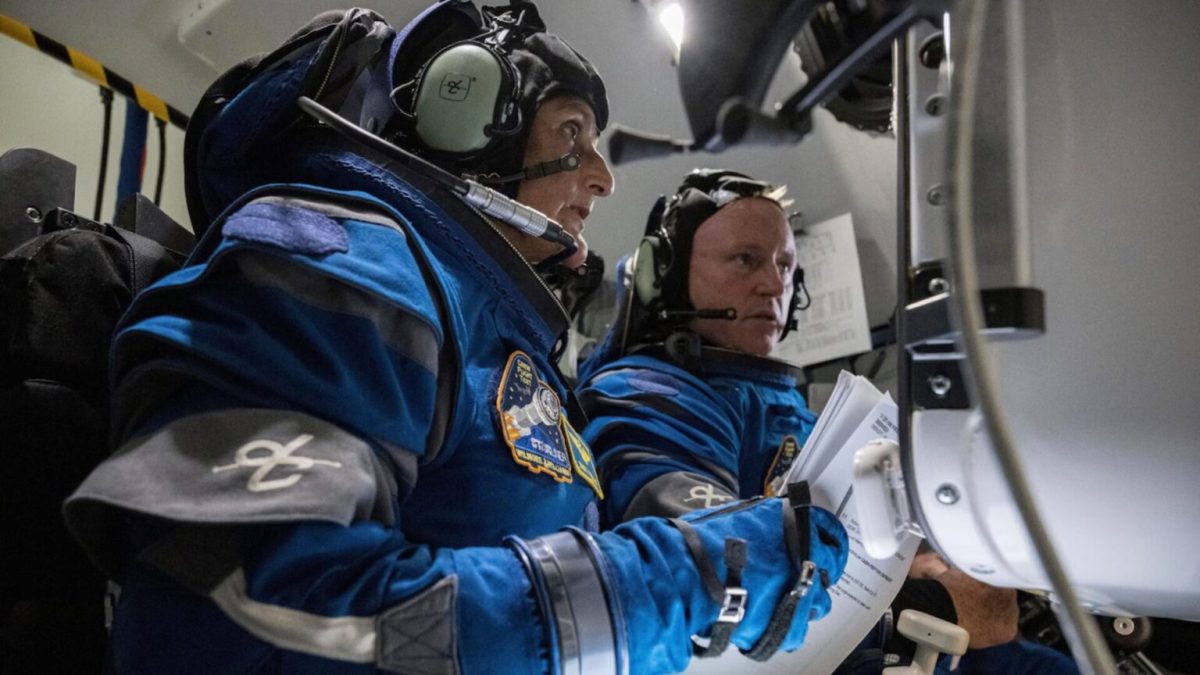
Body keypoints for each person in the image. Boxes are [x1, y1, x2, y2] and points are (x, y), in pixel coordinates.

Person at [63, 4, 848, 674]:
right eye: (574, 128)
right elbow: (252, 612)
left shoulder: (491, 329)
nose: (605, 177)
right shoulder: (342, 257)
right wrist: (683, 579)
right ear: (465, 114)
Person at [577, 168, 1072, 671]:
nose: (774, 284)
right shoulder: (645, 393)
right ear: (662, 275)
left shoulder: (779, 402)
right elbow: (716, 571)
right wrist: (933, 607)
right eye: (745, 260)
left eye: (786, 264)